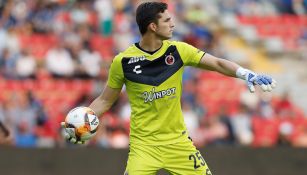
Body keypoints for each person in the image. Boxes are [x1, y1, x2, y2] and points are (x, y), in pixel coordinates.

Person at [61, 2, 277, 175]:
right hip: (143, 147)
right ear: (153, 27)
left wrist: (246, 74)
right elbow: (105, 100)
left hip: (179, 143)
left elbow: (218, 63)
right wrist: (81, 123)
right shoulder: (123, 61)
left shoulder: (179, 50)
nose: (172, 24)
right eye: (167, 20)